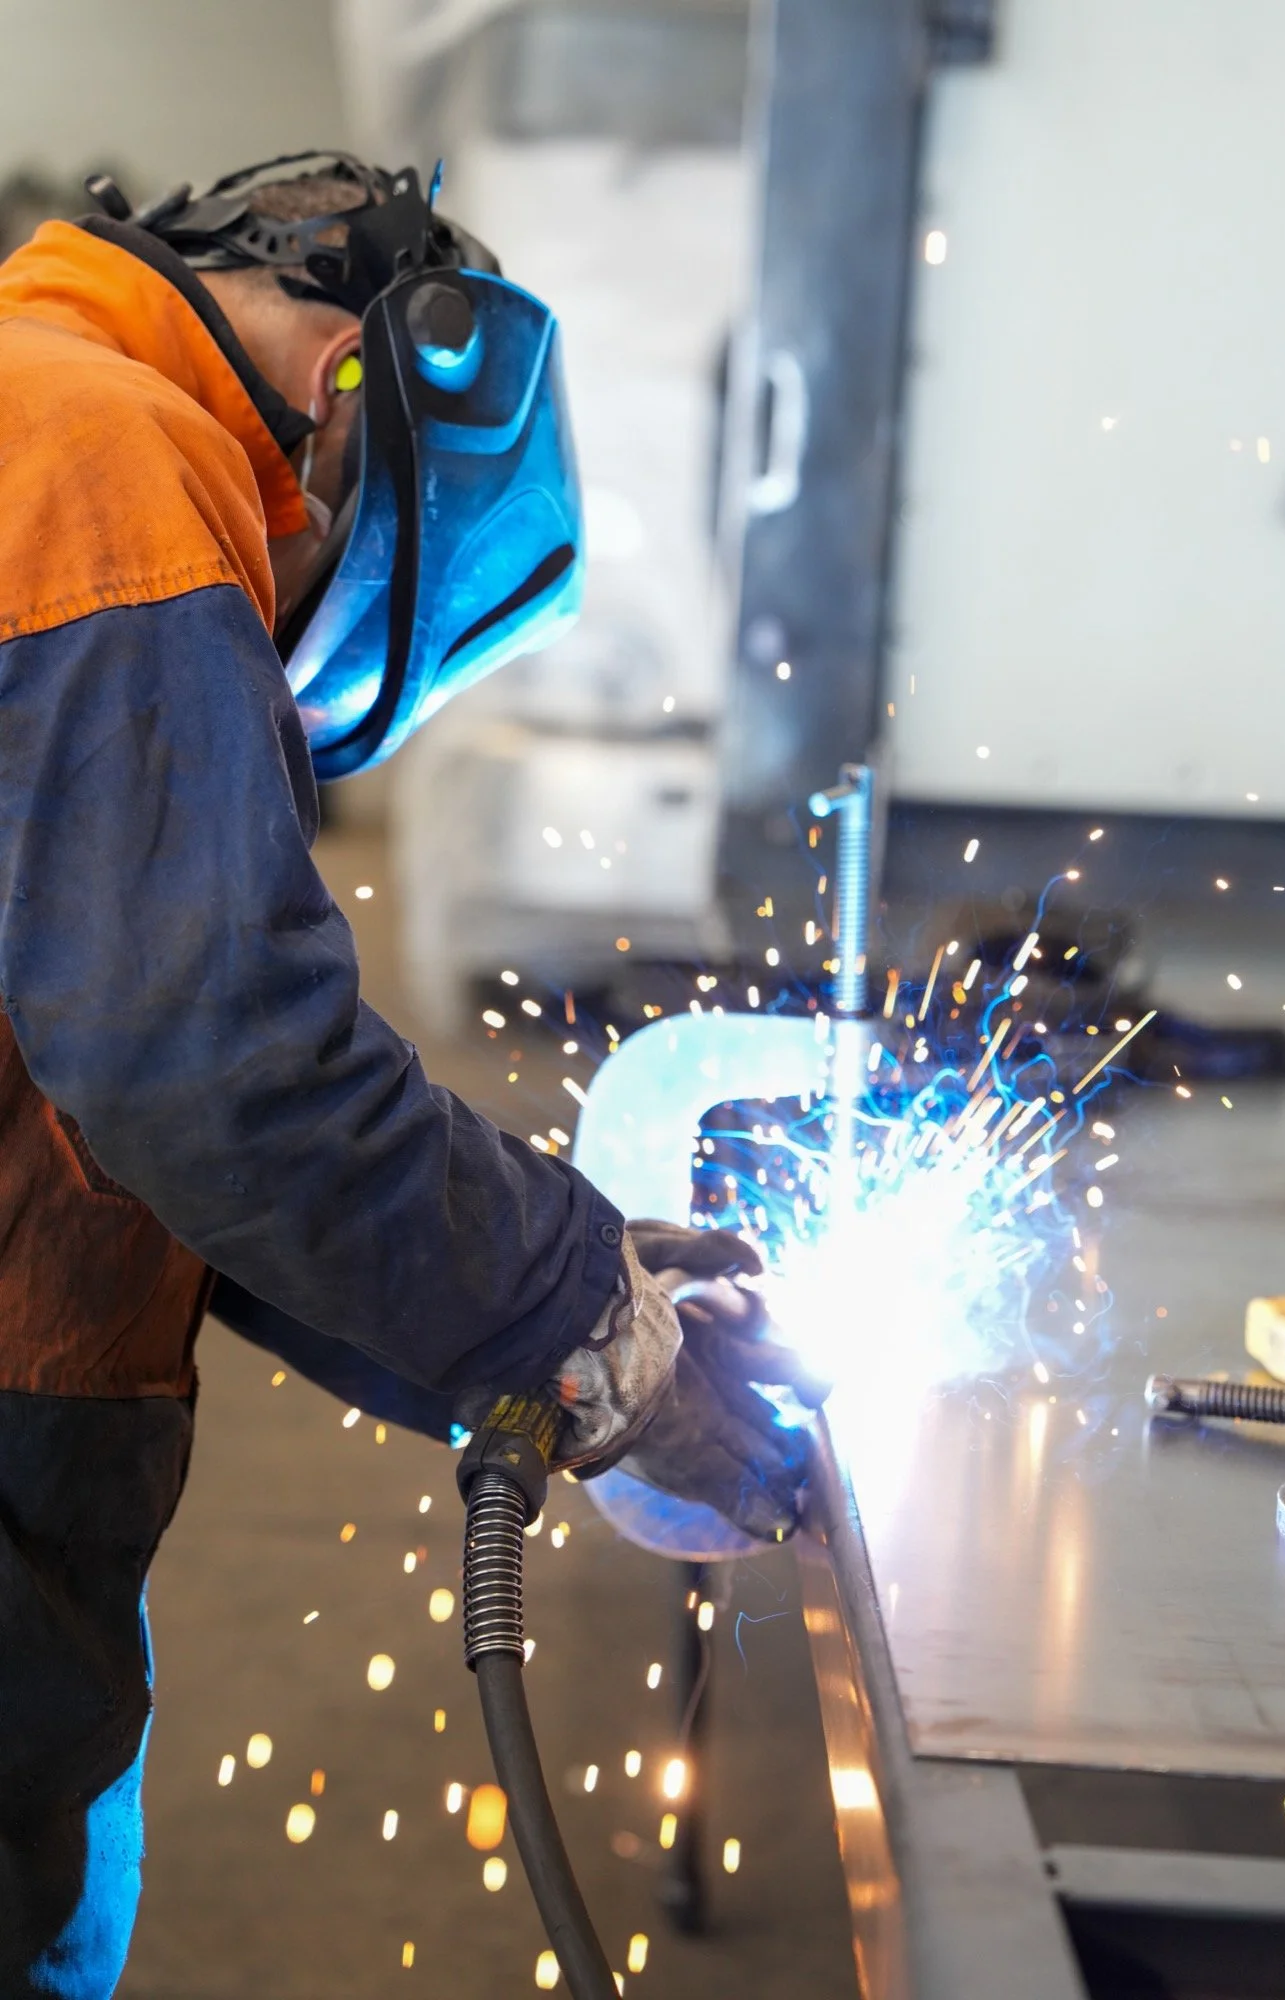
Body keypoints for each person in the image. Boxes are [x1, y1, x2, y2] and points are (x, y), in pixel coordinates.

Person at [0, 153, 818, 1996]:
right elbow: (212, 1066)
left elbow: (124, 1109)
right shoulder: (104, 460)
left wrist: (563, 1295)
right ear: (334, 398)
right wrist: (580, 1336)